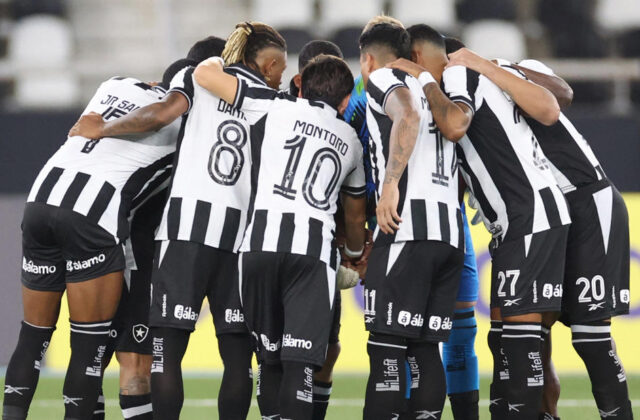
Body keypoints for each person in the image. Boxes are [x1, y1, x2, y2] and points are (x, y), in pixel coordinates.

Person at [71, 22, 287, 420]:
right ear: (269, 63)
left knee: (167, 353)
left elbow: (161, 115)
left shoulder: (196, 76)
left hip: (184, 231)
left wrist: (103, 128)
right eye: (281, 68)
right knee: (237, 358)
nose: (282, 76)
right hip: (238, 238)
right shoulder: (273, 102)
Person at [389, 23, 572, 420]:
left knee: (520, 347)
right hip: (518, 223)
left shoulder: (457, 74)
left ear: (417, 57)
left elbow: (456, 125)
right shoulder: (472, 80)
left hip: (529, 217)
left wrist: (423, 77)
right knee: (509, 343)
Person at [452, 50, 634, 420]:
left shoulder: (506, 72)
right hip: (532, 214)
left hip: (584, 199)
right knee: (520, 334)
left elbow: (562, 95)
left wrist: (499, 68)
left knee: (590, 337)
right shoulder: (458, 106)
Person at [3, 60, 186, 420]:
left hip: (41, 199)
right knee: (88, 345)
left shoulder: (114, 84)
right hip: (91, 215)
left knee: (33, 336)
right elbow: (159, 117)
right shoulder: (185, 123)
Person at [192, 53, 367, 419]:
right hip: (312, 255)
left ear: (300, 86)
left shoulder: (272, 106)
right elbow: (354, 215)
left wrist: (218, 58)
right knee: (300, 366)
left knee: (270, 360)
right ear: (345, 101)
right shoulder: (351, 140)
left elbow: (205, 76)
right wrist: (353, 254)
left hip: (258, 248)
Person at [359, 23, 465, 420]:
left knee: (386, 347)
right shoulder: (439, 90)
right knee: (424, 348)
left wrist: (389, 184)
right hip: (448, 235)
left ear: (368, 59)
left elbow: (407, 114)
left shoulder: (384, 77)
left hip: (406, 230)